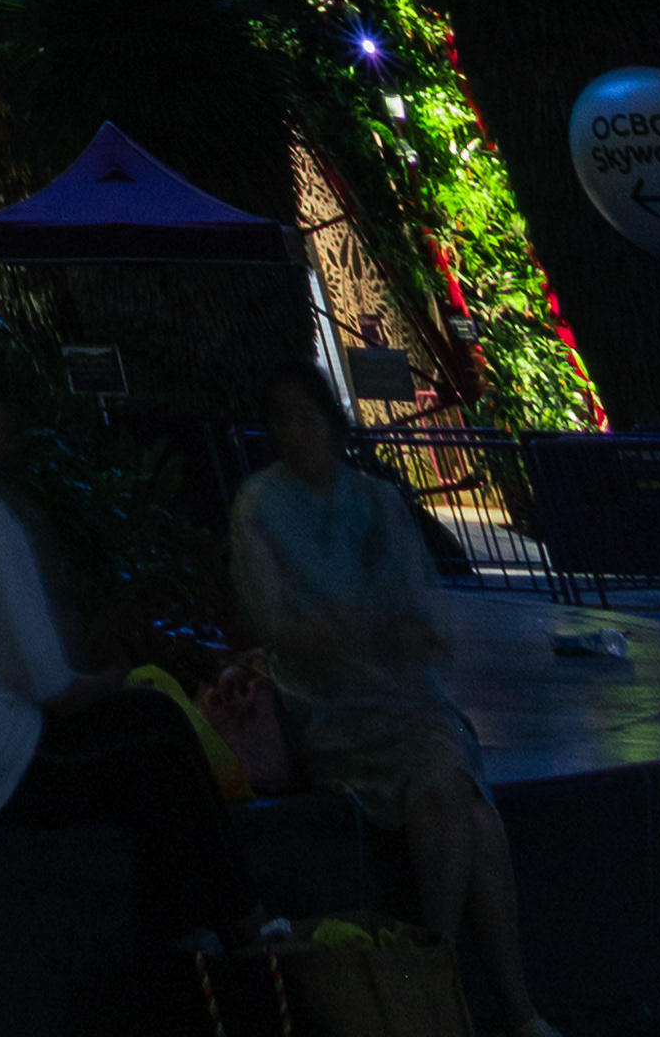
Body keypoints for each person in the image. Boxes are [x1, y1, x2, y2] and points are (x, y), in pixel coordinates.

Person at [0, 337, 262, 951]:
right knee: (157, 759)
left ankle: (208, 927)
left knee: (157, 722)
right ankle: (231, 924)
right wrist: (112, 676)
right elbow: (53, 689)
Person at [232, 365, 560, 1037]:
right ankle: (459, 992)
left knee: (471, 810)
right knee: (454, 799)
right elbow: (270, 623)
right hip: (332, 708)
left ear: (332, 424)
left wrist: (373, 629)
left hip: (407, 699)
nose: (297, 433)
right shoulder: (260, 507)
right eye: (284, 419)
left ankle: (467, 992)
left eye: (308, 416)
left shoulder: (376, 502)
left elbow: (421, 619)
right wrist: (337, 631)